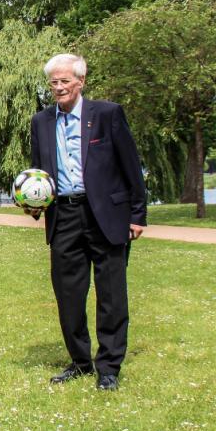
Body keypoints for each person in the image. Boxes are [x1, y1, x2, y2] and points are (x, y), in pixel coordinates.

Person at [31, 53, 147, 391]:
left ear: (80, 82)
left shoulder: (107, 114)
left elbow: (131, 165)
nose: (58, 87)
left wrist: (138, 214)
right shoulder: (40, 122)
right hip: (63, 215)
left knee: (111, 294)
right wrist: (35, 202)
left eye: (64, 81)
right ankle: (80, 362)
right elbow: (39, 171)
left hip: (106, 216)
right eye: (53, 82)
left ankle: (108, 367)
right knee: (68, 294)